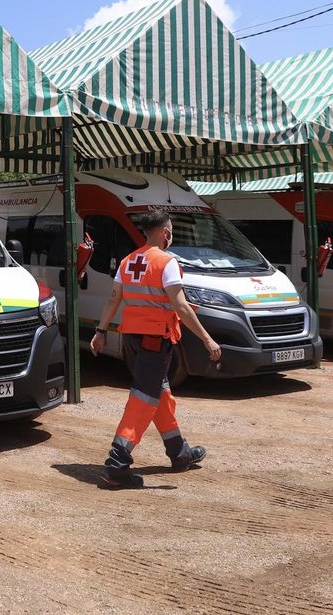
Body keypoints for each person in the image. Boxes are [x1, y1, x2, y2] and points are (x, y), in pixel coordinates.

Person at [89, 208, 222, 487]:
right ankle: (117, 463)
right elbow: (181, 307)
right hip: (154, 340)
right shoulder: (166, 262)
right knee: (143, 399)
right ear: (165, 232)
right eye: (171, 229)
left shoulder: (128, 261)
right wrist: (206, 338)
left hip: (133, 340)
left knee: (158, 393)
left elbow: (114, 299)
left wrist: (101, 331)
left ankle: (179, 452)